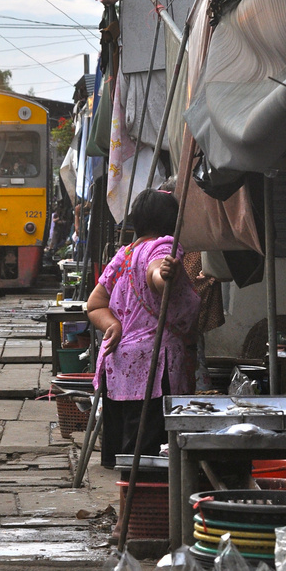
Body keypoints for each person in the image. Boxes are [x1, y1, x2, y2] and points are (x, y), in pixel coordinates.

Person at [87, 188, 200, 481]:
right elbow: (156, 275)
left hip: (119, 366)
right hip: (153, 369)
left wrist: (112, 325)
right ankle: (141, 515)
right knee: (149, 459)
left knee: (126, 457)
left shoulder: (124, 254)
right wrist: (165, 276)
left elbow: (94, 304)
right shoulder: (164, 246)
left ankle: (129, 509)